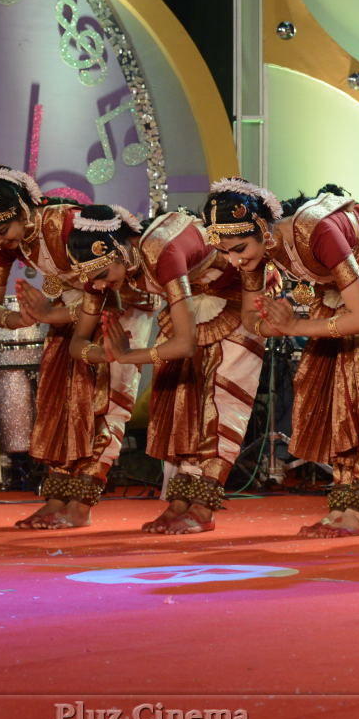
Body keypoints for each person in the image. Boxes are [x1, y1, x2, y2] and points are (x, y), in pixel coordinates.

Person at [204, 179, 359, 538]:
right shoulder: (255, 252)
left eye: (239, 248)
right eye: (225, 253)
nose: (235, 261)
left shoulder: (316, 231)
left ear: (263, 230)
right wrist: (279, 322)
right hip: (335, 287)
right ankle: (341, 504)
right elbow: (253, 323)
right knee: (334, 396)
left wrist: (293, 325)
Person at [0, 167, 150, 529]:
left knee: (106, 406)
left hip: (120, 304)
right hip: (70, 311)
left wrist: (49, 314)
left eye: (2, 231)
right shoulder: (6, 242)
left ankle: (81, 503)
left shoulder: (67, 226)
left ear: (22, 210)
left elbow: (107, 287)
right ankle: (56, 498)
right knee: (57, 405)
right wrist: (21, 319)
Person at [63, 204, 261, 534]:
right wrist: (105, 353)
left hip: (240, 295)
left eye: (101, 277)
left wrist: (128, 356)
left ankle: (203, 507)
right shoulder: (100, 270)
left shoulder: (161, 251)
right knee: (176, 404)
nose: (97, 287)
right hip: (192, 306)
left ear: (121, 252)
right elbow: (77, 343)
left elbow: (183, 344)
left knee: (221, 403)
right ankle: (180, 503)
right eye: (91, 280)